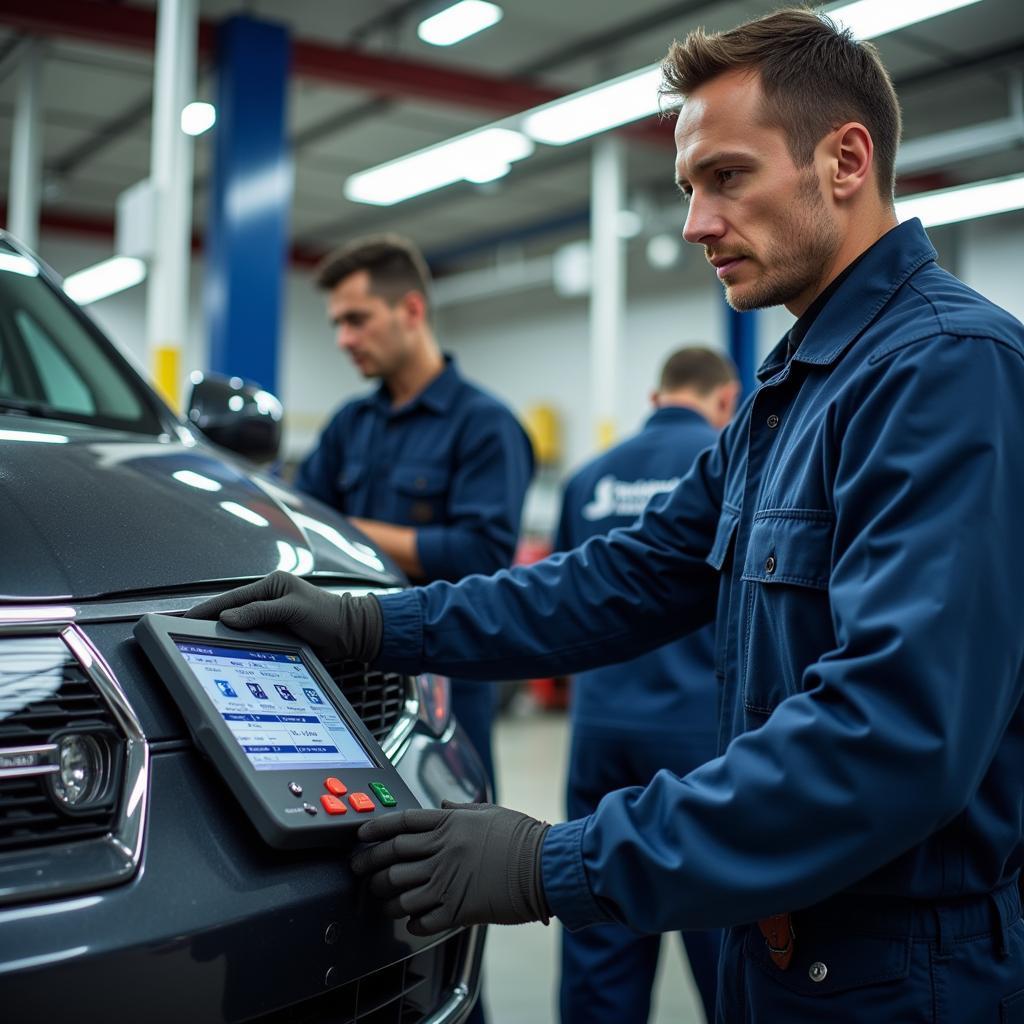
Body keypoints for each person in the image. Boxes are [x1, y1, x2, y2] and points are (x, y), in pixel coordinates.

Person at [189, 10, 1024, 1022]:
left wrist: (557, 861)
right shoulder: (790, 390)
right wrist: (377, 625)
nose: (694, 224)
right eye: (687, 189)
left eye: (726, 177)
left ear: (846, 159)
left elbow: (891, 733)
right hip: (780, 948)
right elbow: (623, 577)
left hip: (904, 970)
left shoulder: (944, 370)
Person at [293, 233, 534, 801]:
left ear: (411, 310)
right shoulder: (349, 424)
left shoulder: (485, 427)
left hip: (441, 677)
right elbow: (298, 518)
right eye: (336, 324)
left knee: (451, 834)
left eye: (356, 319)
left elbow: (480, 553)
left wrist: (349, 531)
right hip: (342, 673)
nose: (343, 339)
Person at [554, 346, 737, 1024]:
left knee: (601, 927)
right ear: (726, 400)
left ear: (657, 398)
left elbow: (574, 602)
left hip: (600, 732)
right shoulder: (734, 468)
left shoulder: (587, 479)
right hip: (702, 740)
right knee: (725, 937)